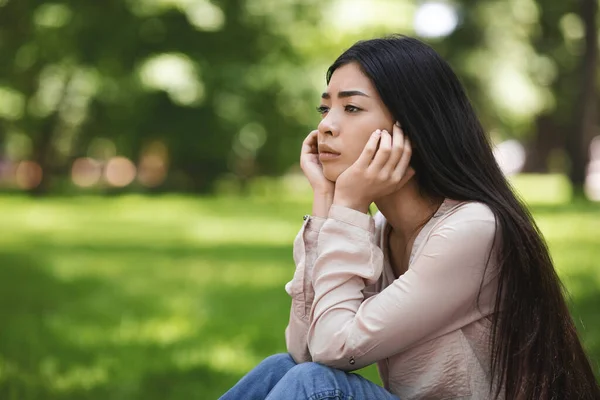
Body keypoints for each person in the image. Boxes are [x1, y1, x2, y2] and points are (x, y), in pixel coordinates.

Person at [220, 35, 600, 400]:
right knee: (280, 369)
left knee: (313, 384)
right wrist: (326, 201)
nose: (325, 125)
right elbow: (304, 348)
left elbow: (332, 351)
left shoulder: (473, 229)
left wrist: (349, 209)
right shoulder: (383, 232)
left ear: (411, 129)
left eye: (351, 108)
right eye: (325, 108)